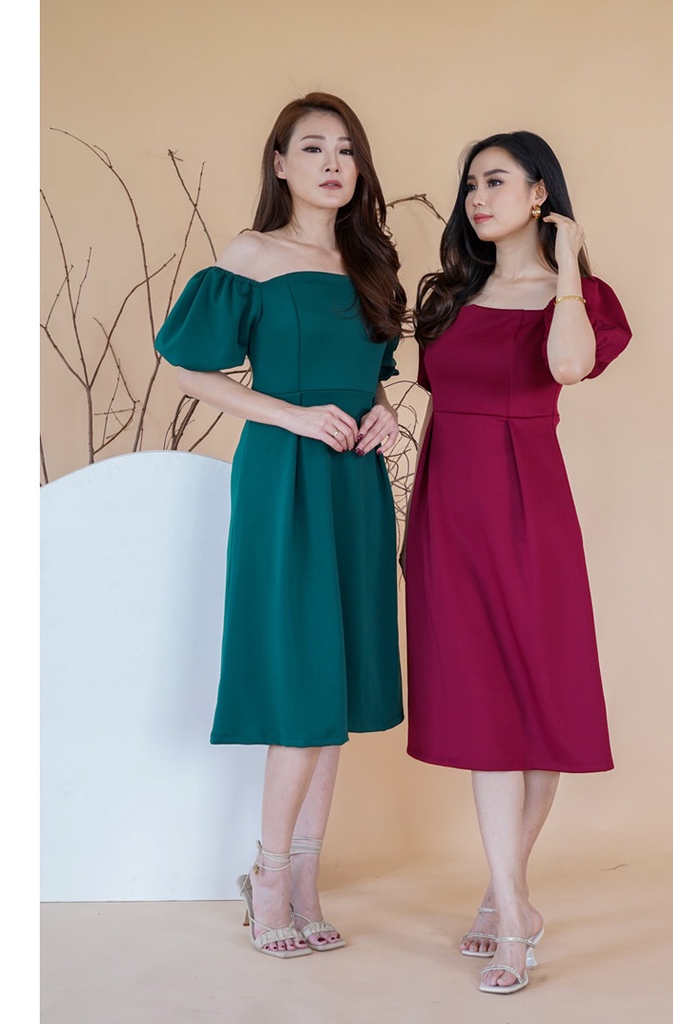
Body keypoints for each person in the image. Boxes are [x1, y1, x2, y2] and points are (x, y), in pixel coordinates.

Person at [154, 93, 406, 959]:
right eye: (313, 148)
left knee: (333, 691)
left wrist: (384, 413)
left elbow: (371, 373)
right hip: (285, 476)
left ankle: (304, 877)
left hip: (355, 481)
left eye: (346, 149)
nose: (333, 163)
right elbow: (188, 369)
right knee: (301, 682)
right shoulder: (252, 254)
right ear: (280, 164)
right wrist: (292, 416)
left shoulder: (372, 262)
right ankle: (266, 877)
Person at [403, 131, 632, 994]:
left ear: (540, 194)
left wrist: (566, 265)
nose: (477, 197)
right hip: (449, 511)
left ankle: (507, 896)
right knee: (482, 712)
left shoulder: (577, 298)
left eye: (496, 181)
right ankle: (511, 915)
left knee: (539, 707)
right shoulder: (449, 296)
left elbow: (569, 364)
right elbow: (435, 401)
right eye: (470, 184)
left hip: (531, 512)